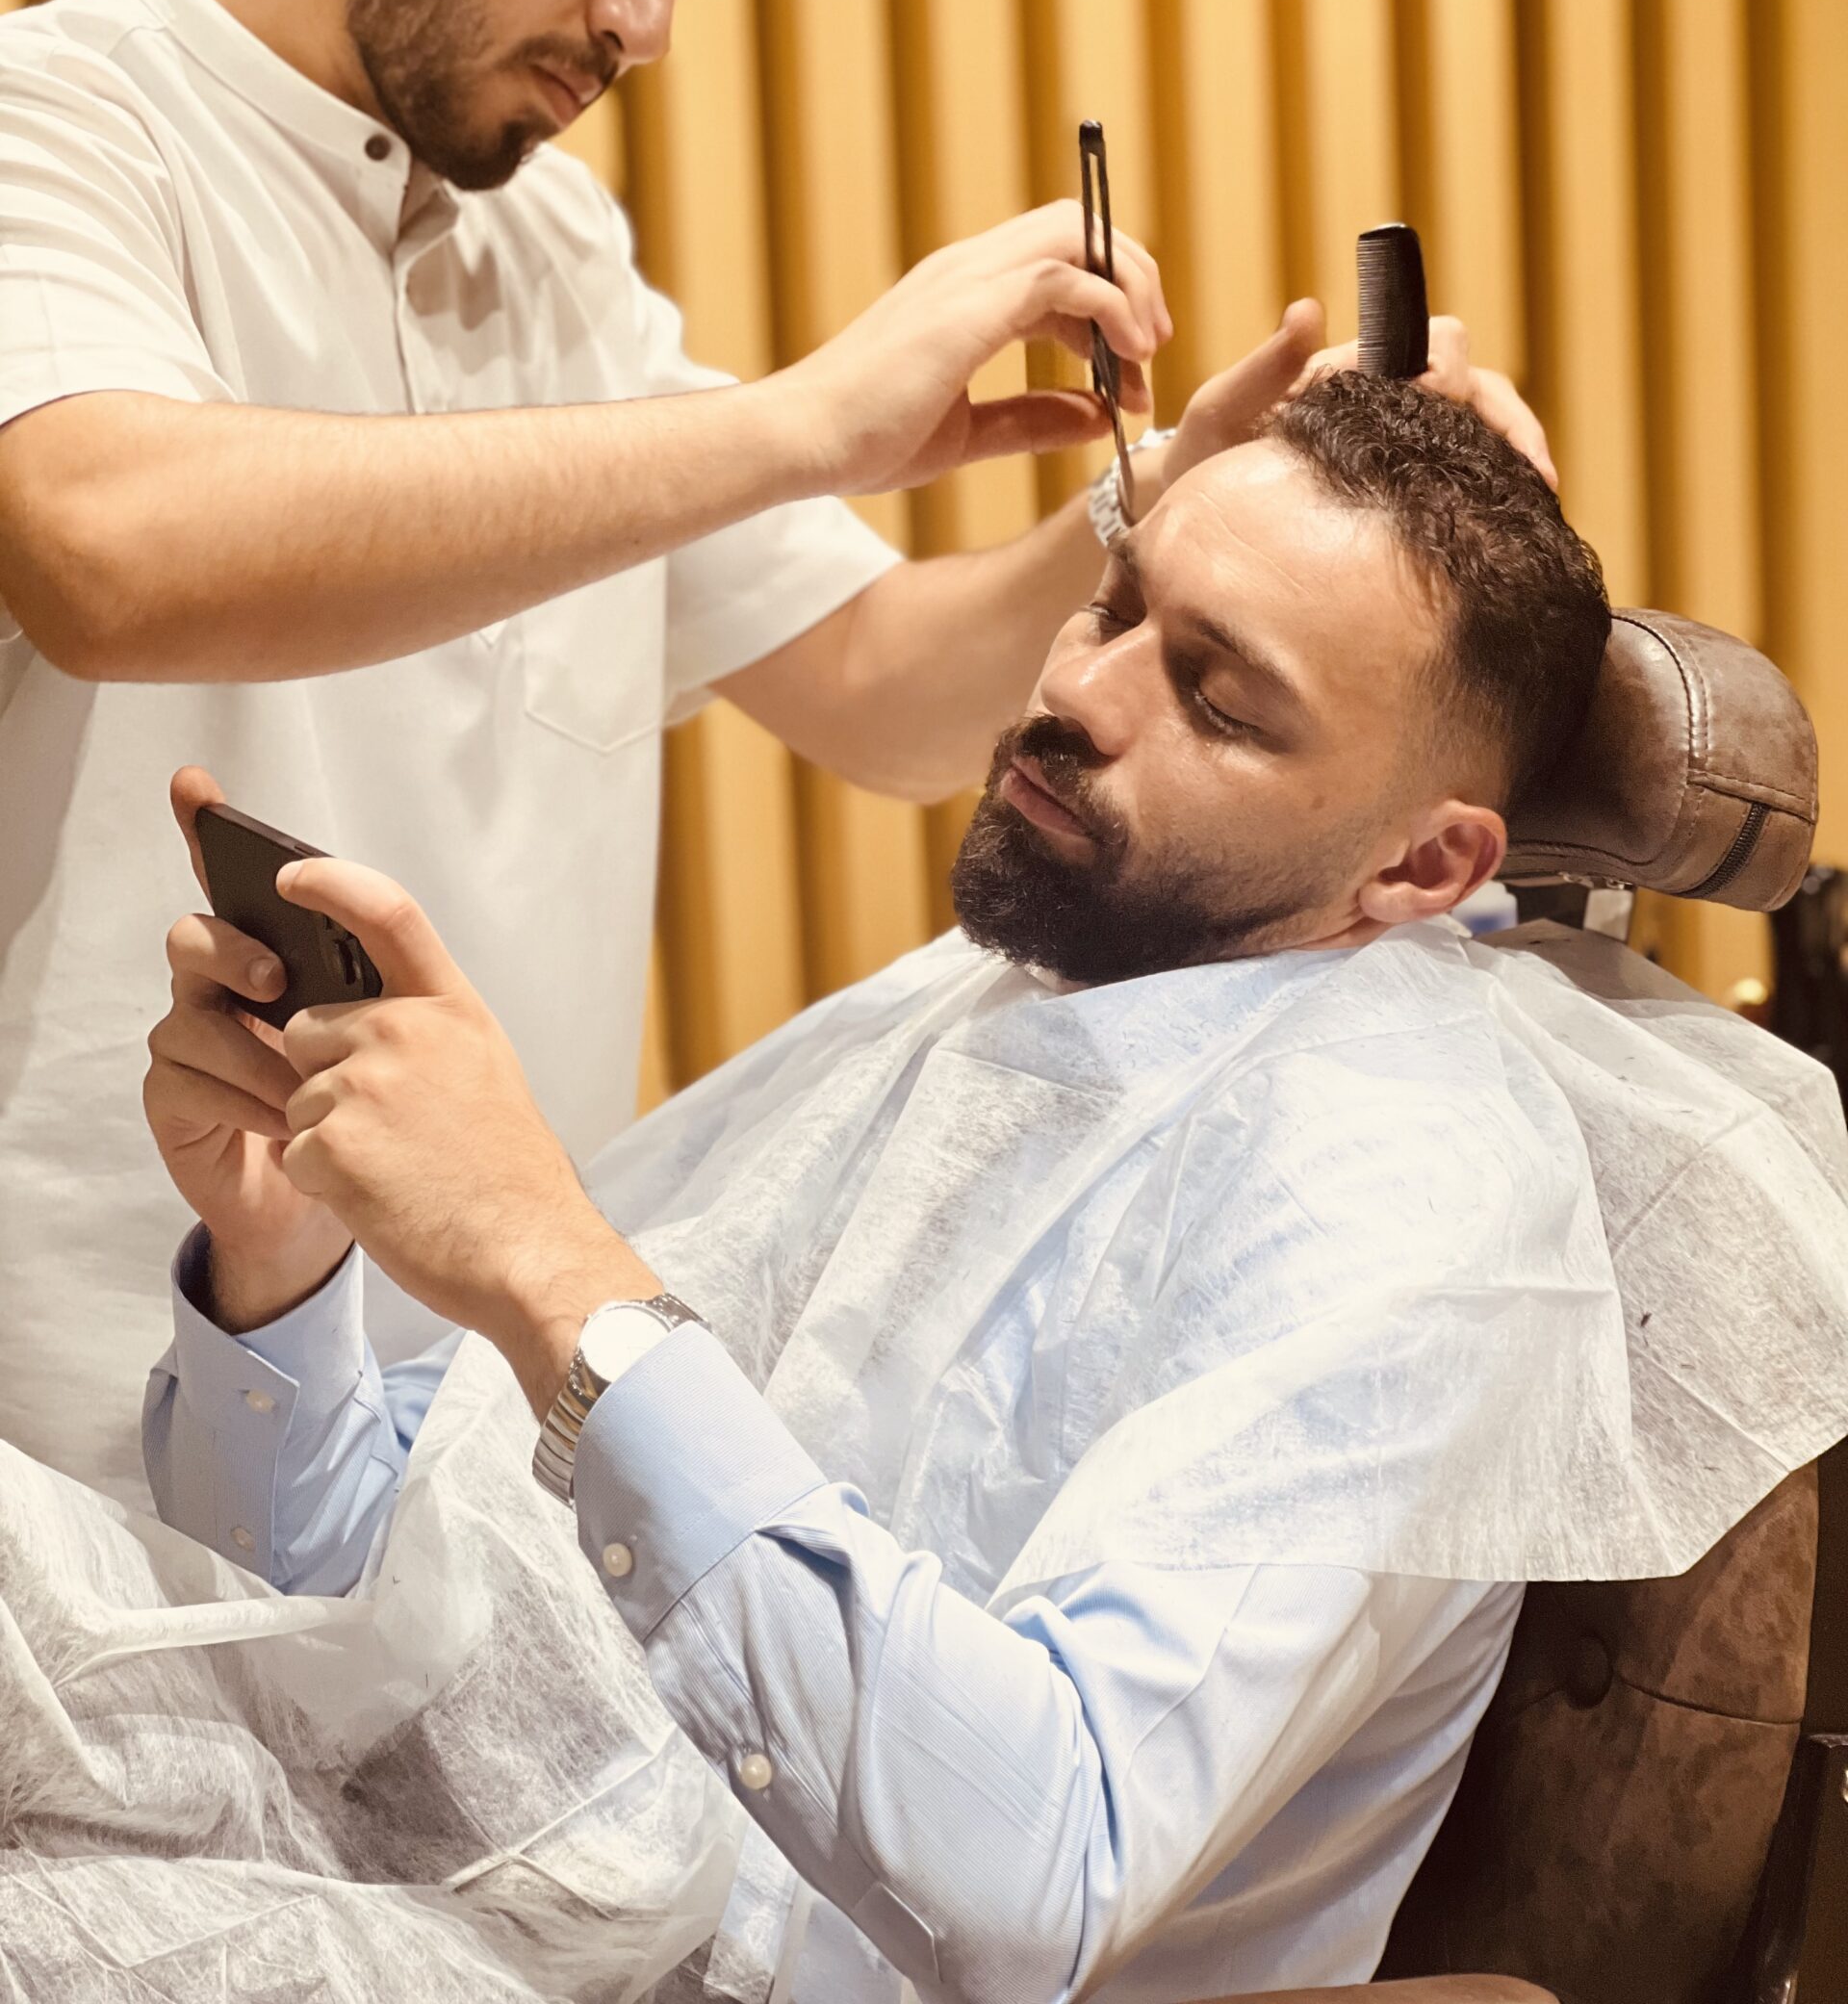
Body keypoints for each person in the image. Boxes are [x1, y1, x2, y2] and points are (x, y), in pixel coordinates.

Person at [0, 0, 1552, 1499]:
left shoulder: (545, 243)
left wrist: (1165, 523)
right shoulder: (57, 125)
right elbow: (107, 545)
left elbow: (891, 704)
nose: (645, 15)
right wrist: (812, 421)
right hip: (75, 1461)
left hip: (458, 1460)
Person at [131, 372, 1848, 2003]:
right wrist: (280, 1280)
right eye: (1115, 607)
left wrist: (554, 1274)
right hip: (509, 1893)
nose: (1082, 696)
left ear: (1424, 862)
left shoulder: (1411, 1210)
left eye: (1220, 699)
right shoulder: (996, 1004)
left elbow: (1036, 1877)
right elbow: (387, 1585)